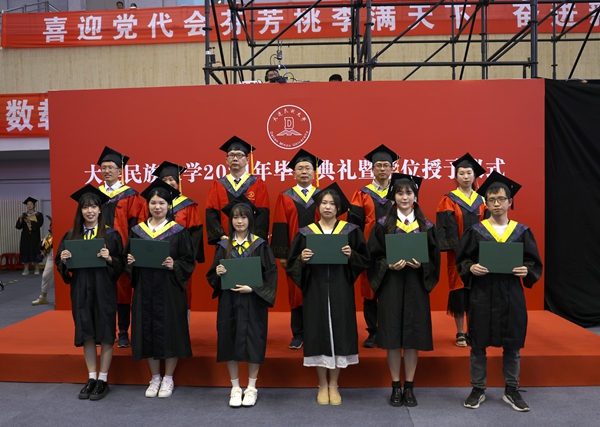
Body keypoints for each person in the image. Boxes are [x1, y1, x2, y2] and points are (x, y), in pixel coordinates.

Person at [457, 172, 542, 412]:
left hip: (511, 295)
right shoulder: (476, 231)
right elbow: (462, 260)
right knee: (477, 345)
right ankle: (478, 388)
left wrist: (527, 270)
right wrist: (471, 267)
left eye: (501, 199)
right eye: (491, 199)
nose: (496, 204)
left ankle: (511, 389)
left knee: (512, 345)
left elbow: (533, 262)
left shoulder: (521, 231)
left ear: (510, 201)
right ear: (485, 202)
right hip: (482, 295)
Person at [286, 183, 370, 406]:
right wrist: (302, 260)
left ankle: (334, 384)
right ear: (318, 206)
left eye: (332, 203)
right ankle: (322, 384)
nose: (328, 207)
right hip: (315, 289)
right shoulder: (306, 233)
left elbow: (364, 259)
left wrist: (351, 255)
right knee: (317, 331)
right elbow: (292, 264)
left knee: (339, 331)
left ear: (339, 207)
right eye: (324, 202)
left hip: (341, 288)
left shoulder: (350, 231)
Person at [367, 174, 440, 407]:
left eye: (409, 193)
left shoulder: (426, 226)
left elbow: (434, 259)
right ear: (393, 196)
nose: (404, 197)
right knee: (391, 337)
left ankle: (409, 385)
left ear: (415, 196)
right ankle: (395, 385)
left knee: (412, 336)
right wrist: (387, 265)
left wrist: (423, 264)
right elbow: (373, 257)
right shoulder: (383, 225)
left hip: (416, 286)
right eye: (400, 193)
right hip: (391, 285)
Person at [126, 179, 195, 399]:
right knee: (146, 329)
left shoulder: (178, 231)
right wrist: (130, 261)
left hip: (169, 289)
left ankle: (168, 378)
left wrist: (175, 265)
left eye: (162, 203)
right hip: (145, 289)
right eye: (153, 203)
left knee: (171, 329)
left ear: (168, 206)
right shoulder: (137, 231)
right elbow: (128, 261)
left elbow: (188, 260)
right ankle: (155, 377)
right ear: (148, 205)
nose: (157, 207)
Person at [56, 185, 124, 401]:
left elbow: (121, 263)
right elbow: (61, 264)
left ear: (100, 209)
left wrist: (110, 258)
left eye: (93, 206)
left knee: (105, 331)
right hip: (81, 289)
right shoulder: (71, 235)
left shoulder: (111, 235)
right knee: (86, 331)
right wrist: (64, 260)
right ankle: (92, 377)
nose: (89, 211)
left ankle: (103, 379)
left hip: (104, 289)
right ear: (80, 211)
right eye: (85, 207)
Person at [207, 202, 278, 407]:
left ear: (250, 220)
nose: (239, 221)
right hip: (229, 301)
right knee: (229, 339)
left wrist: (253, 289)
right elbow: (212, 275)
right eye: (235, 217)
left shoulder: (260, 245)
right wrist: (218, 273)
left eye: (244, 217)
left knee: (254, 341)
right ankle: (235, 387)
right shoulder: (223, 246)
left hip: (253, 302)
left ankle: (252, 387)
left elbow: (271, 274)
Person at [348, 145, 399, 348]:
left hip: (395, 248)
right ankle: (373, 331)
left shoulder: (400, 192)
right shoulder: (361, 194)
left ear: (392, 168)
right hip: (369, 249)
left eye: (386, 165)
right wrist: (358, 250)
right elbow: (354, 224)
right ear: (372, 169)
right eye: (378, 165)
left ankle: (390, 330)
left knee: (392, 290)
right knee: (370, 290)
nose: (382, 169)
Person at [271, 149, 322, 350]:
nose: (304, 172)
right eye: (300, 168)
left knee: (317, 291)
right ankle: (298, 333)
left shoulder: (322, 196)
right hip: (294, 253)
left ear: (314, 172)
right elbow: (280, 224)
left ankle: (316, 333)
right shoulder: (285, 196)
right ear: (294, 173)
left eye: (308, 168)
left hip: (319, 252)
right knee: (296, 293)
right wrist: (283, 254)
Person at [139, 161, 205, 317]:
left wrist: (185, 258)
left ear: (178, 182)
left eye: (172, 179)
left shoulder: (187, 205)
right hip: (153, 259)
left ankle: (182, 326)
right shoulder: (150, 205)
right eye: (164, 180)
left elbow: (195, 233)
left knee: (181, 293)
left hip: (178, 260)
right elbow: (141, 230)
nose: (168, 183)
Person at [436, 153, 487, 347]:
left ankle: (473, 330)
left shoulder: (483, 200)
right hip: (457, 254)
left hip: (480, 253)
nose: (465, 176)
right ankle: (460, 331)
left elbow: (489, 225)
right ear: (456, 177)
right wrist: (460, 250)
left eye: (469, 173)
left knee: (477, 291)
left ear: (474, 176)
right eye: (461, 173)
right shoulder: (448, 200)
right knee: (459, 290)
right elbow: (446, 226)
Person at [96, 146, 145, 348]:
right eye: (103, 167)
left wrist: (131, 249)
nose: (107, 171)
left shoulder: (130, 195)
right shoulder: (95, 195)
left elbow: (135, 225)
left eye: (111, 167)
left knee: (122, 292)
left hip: (122, 250)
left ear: (120, 170)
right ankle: (105, 331)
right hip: (98, 250)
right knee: (101, 291)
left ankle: (123, 331)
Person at [206, 136, 270, 245]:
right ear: (226, 160)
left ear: (247, 160)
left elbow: (263, 214)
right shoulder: (218, 185)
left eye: (239, 155)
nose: (235, 158)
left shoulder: (257, 183)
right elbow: (211, 213)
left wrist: (253, 238)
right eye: (231, 155)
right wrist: (222, 237)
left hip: (251, 243)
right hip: (225, 241)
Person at [15, 197, 44, 275]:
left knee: (35, 251)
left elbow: (39, 224)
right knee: (25, 251)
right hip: (26, 236)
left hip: (35, 236)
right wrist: (20, 219)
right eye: (28, 204)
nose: (29, 205)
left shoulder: (38, 215)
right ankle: (26, 269)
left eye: (31, 204)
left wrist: (29, 222)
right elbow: (18, 226)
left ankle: (37, 269)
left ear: (34, 205)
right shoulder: (24, 215)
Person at [32, 216, 54, 306]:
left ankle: (64, 300)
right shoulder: (53, 223)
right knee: (46, 275)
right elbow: (50, 236)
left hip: (64, 251)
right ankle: (43, 297)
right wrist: (45, 250)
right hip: (52, 252)